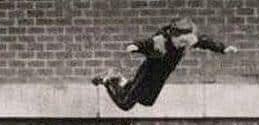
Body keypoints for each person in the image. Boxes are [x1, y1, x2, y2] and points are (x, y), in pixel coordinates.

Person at [92, 17, 237, 111]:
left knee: (148, 102)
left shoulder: (189, 39)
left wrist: (223, 48)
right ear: (173, 37)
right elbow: (146, 43)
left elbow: (205, 42)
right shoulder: (161, 41)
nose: (182, 45)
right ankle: (108, 81)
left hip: (161, 76)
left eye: (186, 43)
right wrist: (135, 46)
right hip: (148, 73)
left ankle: (121, 81)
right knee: (126, 105)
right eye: (181, 42)